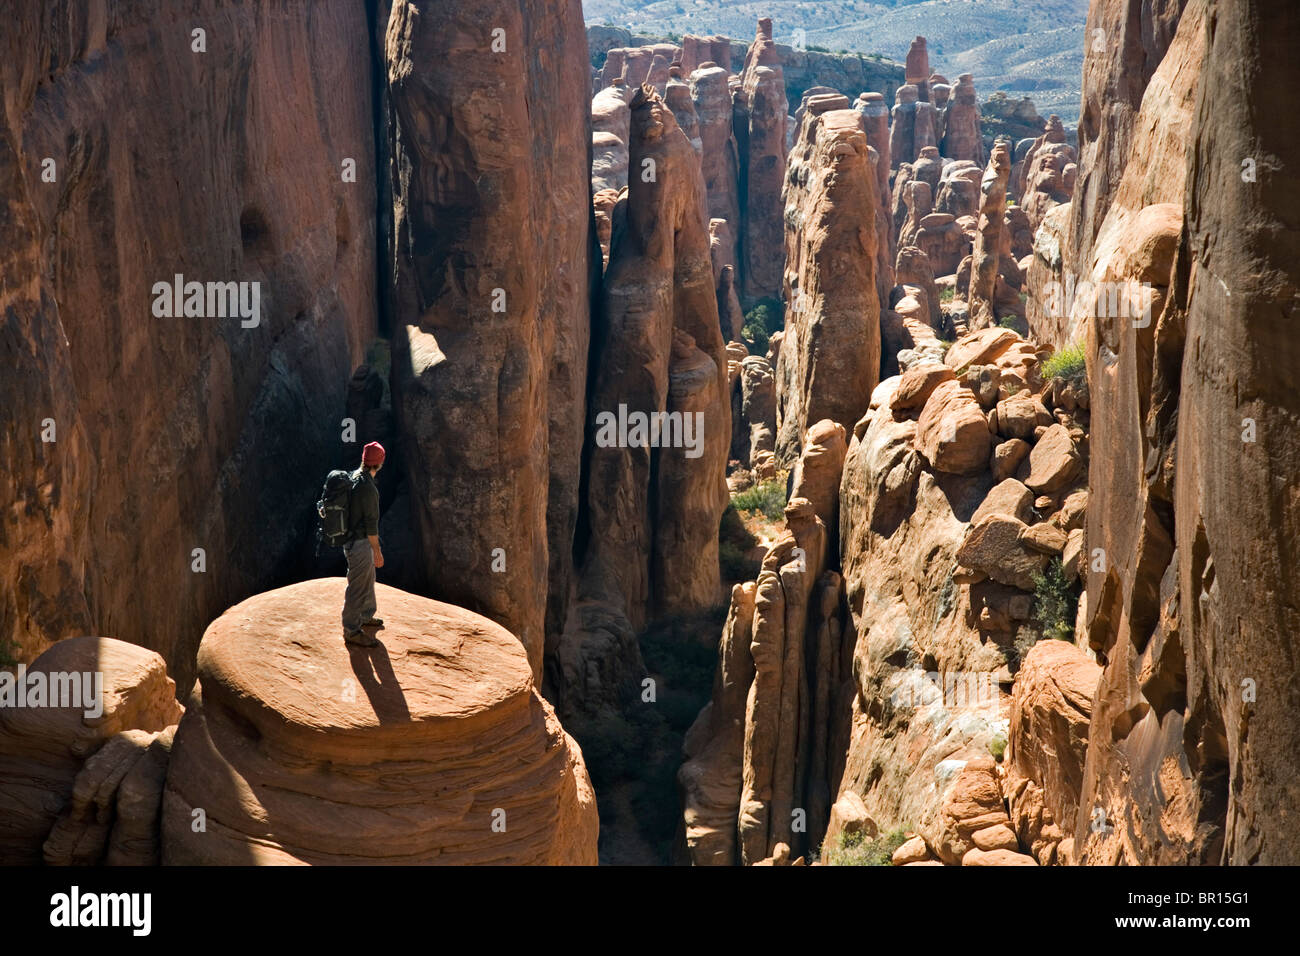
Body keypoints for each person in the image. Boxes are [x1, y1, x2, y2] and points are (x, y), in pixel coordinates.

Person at [341, 441, 386, 646]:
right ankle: (351, 630)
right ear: (380, 463)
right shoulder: (368, 488)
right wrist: (377, 551)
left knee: (367, 577)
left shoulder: (353, 477)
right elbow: (371, 525)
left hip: (351, 539)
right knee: (358, 585)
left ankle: (366, 614)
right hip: (359, 543)